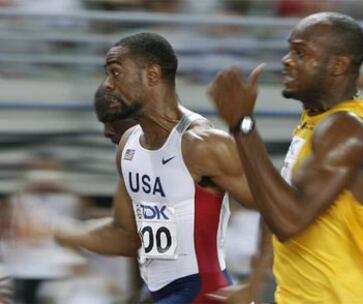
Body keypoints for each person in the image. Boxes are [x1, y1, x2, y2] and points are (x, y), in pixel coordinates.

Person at [208, 12, 363, 303]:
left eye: (301, 52)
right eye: (290, 49)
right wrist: (256, 279)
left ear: (338, 65)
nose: (286, 60)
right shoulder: (317, 122)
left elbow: (290, 221)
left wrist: (242, 125)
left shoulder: (347, 129)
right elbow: (276, 204)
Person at [55, 32, 266, 304]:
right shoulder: (129, 147)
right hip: (159, 291)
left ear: (152, 75)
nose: (107, 85)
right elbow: (125, 235)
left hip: (204, 292)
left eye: (116, 73)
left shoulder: (202, 144)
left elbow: (275, 209)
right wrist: (59, 230)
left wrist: (256, 284)